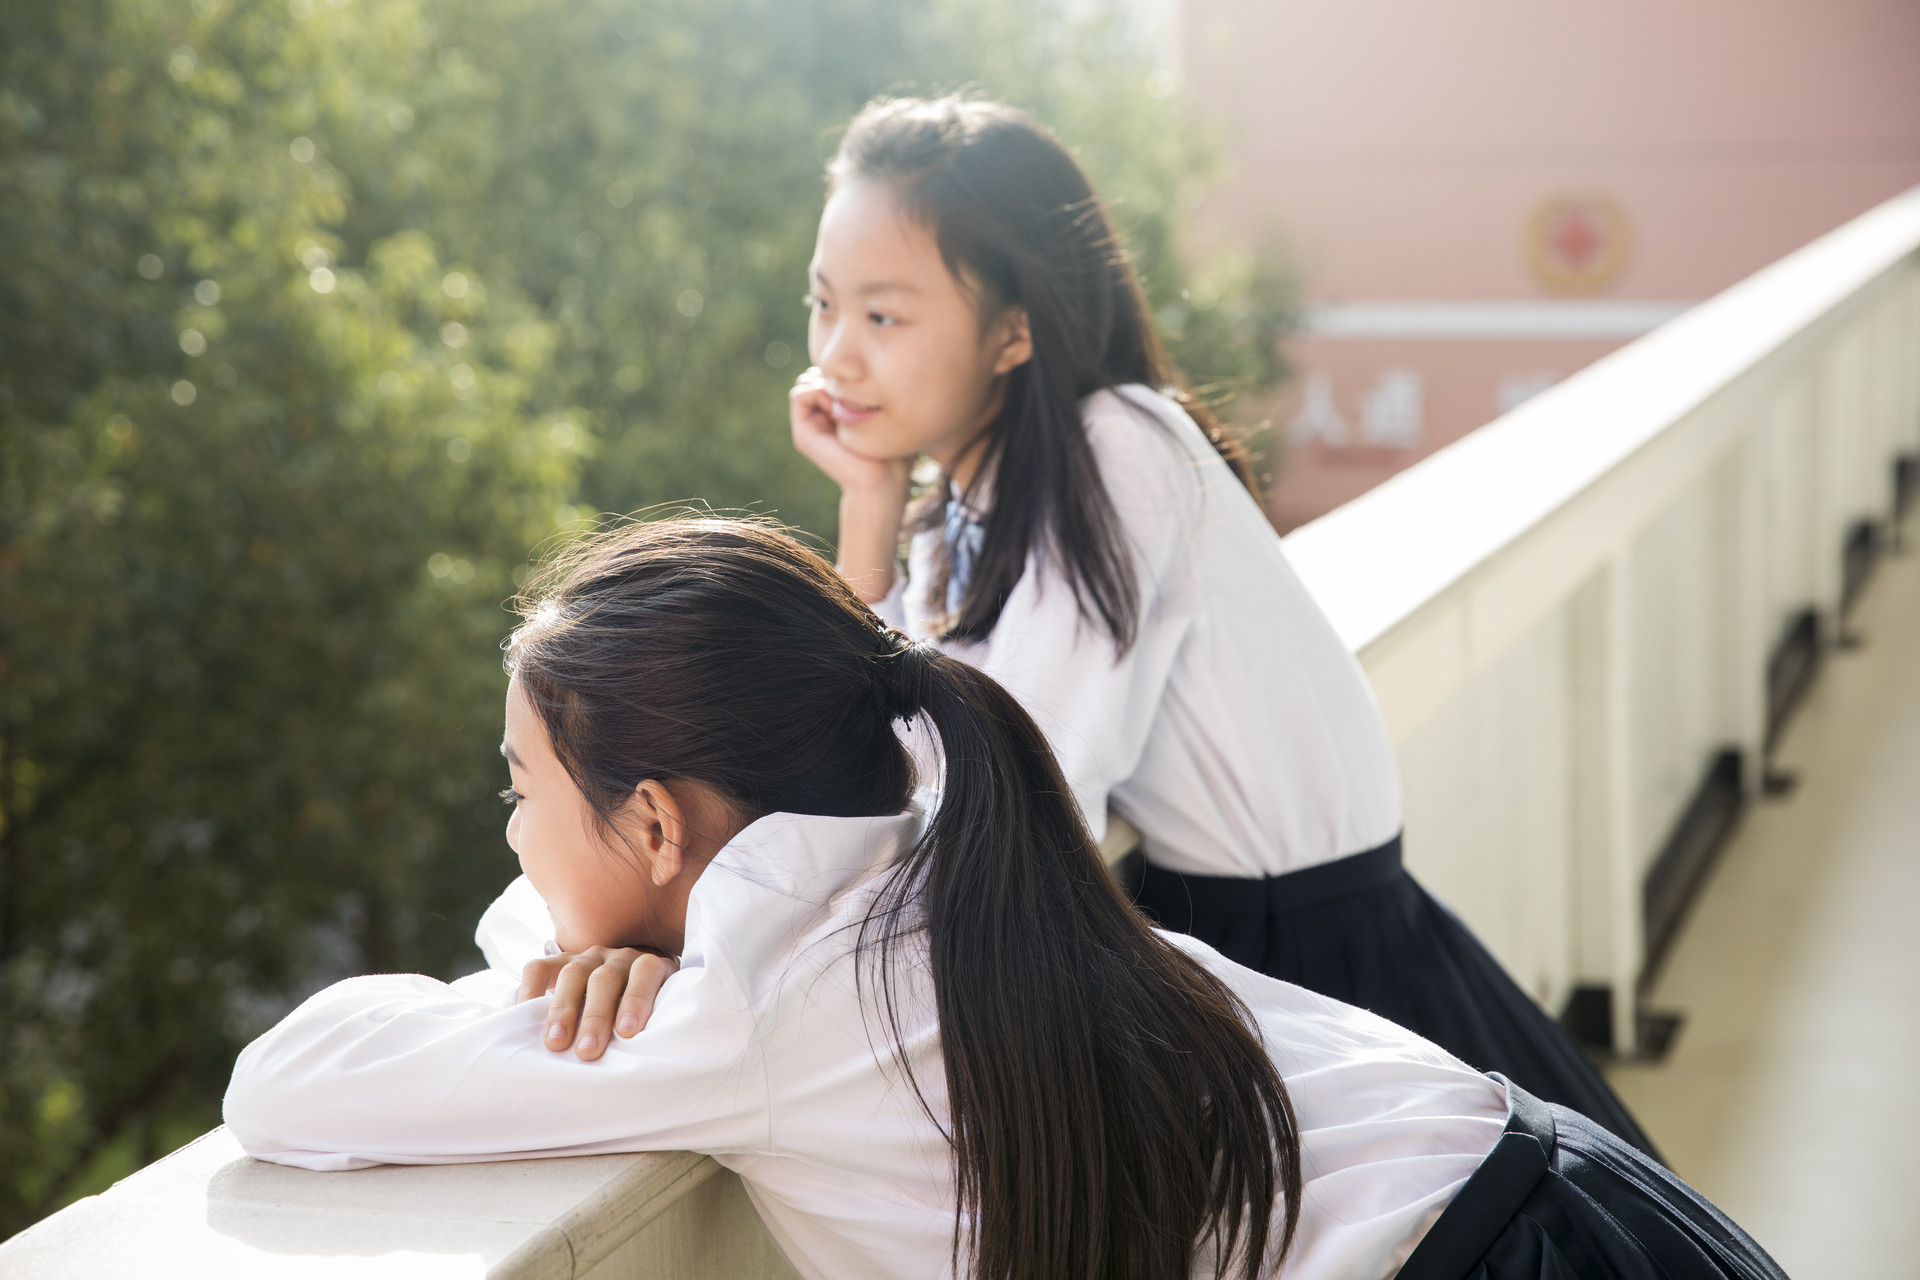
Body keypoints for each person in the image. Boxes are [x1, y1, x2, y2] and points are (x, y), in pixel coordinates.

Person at [224, 519, 1784, 1280]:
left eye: (517, 787)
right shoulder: (923, 842)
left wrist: (550, 975)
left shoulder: (741, 1005)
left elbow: (285, 1083)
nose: (507, 831)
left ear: (649, 822)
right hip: (1570, 1202)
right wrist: (595, 939)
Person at [784, 93, 1658, 1157]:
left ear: (1015, 327)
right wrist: (868, 509)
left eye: (882, 315)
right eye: (822, 305)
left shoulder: (1118, 451)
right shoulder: (968, 504)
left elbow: (1010, 779)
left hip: (1313, 956)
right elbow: (902, 764)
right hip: (1230, 934)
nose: (836, 355)